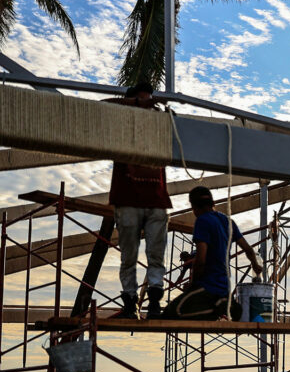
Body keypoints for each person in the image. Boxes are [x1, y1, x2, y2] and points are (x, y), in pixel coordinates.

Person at [104, 82, 171, 319]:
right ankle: (131, 304)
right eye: (142, 101)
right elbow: (99, 106)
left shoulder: (159, 123)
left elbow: (179, 126)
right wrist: (134, 104)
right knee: (129, 257)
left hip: (155, 202)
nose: (147, 107)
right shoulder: (120, 123)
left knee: (155, 255)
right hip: (129, 200)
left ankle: (153, 304)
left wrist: (153, 108)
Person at [163, 186, 262, 319]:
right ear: (212, 203)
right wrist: (255, 264)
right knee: (197, 311)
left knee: (172, 312)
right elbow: (248, 249)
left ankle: (220, 306)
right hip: (225, 287)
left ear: (194, 207)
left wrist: (193, 286)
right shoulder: (228, 221)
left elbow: (201, 260)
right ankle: (225, 304)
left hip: (207, 287)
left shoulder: (202, 221)